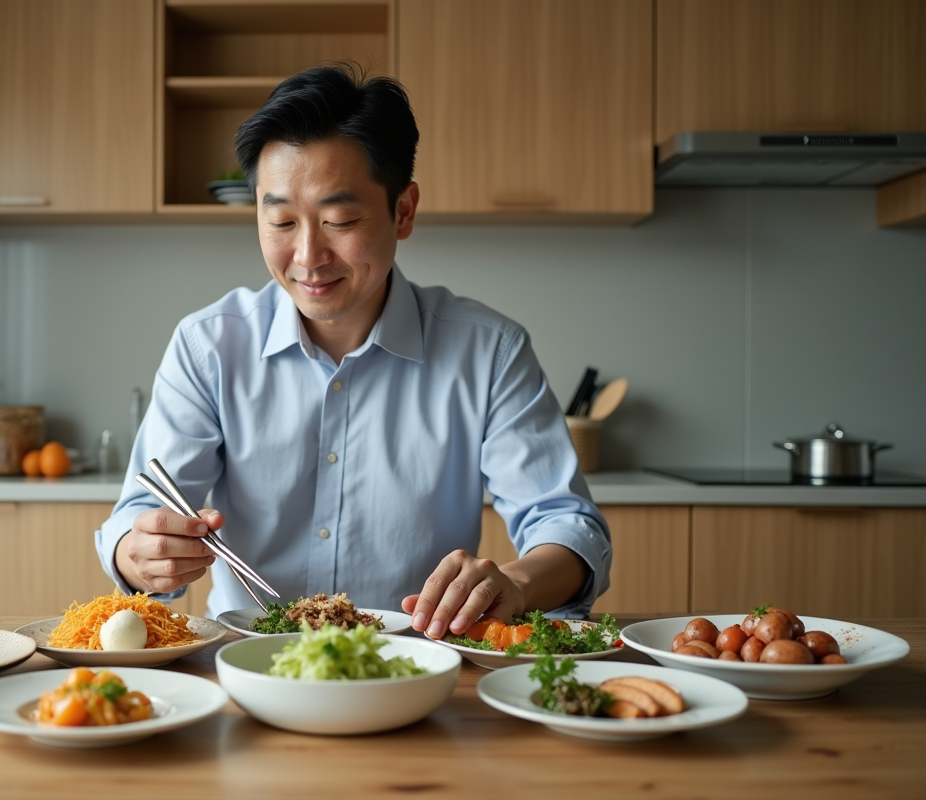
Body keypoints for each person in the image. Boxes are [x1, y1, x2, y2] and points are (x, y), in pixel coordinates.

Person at [95, 65, 611, 639]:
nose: (309, 255)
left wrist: (514, 582)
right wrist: (139, 552)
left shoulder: (489, 351)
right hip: (244, 665)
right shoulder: (209, 345)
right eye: (282, 220)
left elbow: (567, 527)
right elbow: (137, 516)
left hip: (417, 664)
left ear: (404, 211)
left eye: (340, 220)